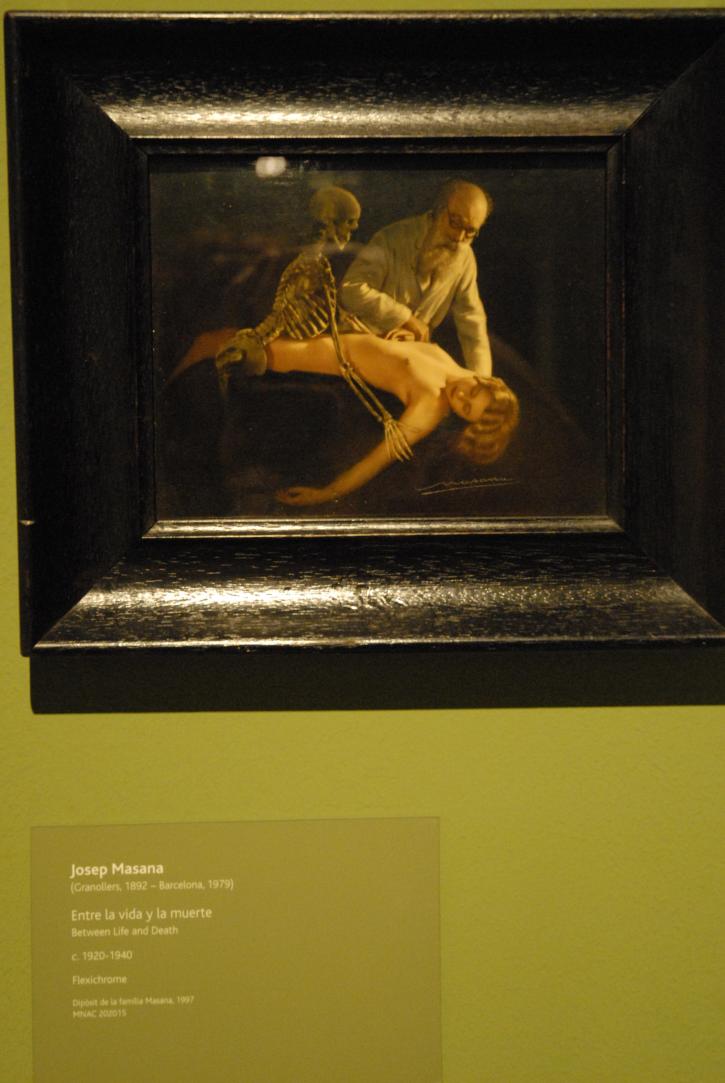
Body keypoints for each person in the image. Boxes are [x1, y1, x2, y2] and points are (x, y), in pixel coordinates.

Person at [266, 333, 519, 505]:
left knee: (251, 348)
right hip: (328, 328)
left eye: (465, 408)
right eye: (472, 392)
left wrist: (326, 493)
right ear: (483, 380)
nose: (460, 396)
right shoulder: (455, 368)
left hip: (311, 354)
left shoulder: (429, 407)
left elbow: (378, 459)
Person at [339, 179, 494, 376]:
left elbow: (472, 323)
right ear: (439, 210)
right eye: (455, 223)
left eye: (470, 231)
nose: (459, 237)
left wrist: (482, 379)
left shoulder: (465, 257)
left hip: (409, 361)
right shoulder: (393, 238)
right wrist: (406, 318)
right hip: (359, 352)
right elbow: (351, 290)